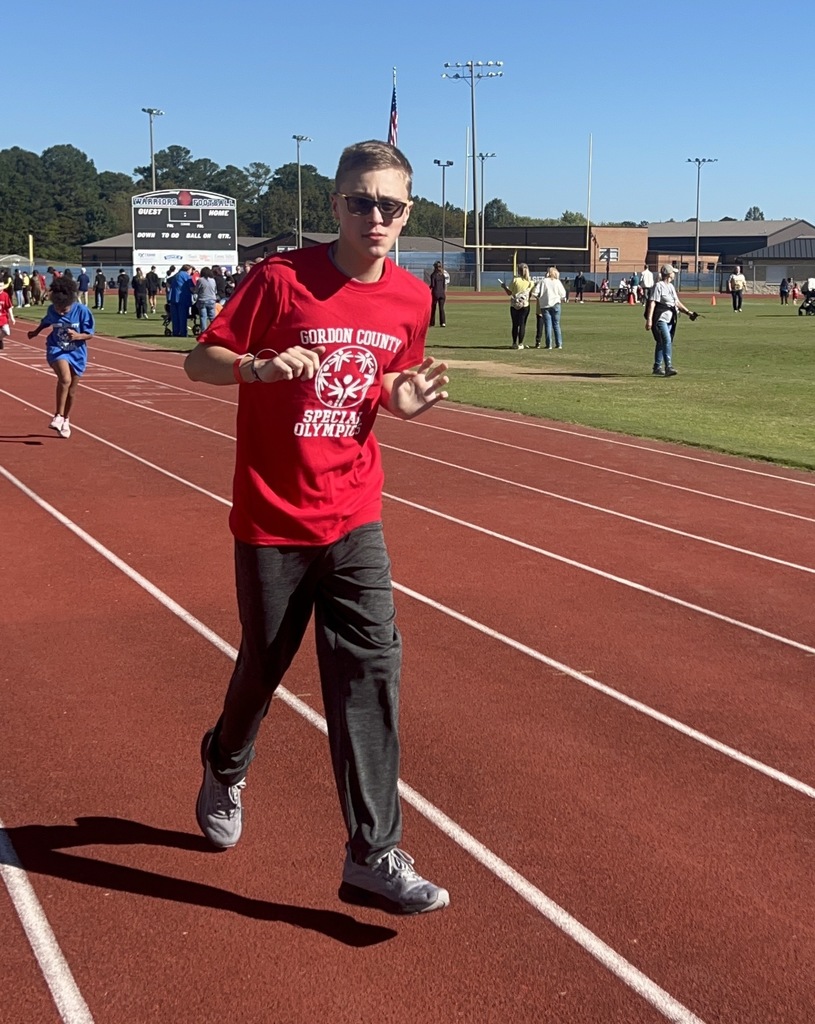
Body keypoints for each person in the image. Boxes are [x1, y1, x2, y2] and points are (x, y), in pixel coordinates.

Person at [183, 138, 450, 916]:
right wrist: (254, 368)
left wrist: (399, 398)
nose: (377, 217)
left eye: (391, 205)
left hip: (354, 515)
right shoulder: (281, 280)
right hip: (271, 515)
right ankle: (225, 760)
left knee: (370, 675)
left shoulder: (409, 298)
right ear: (336, 204)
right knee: (262, 668)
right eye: (362, 201)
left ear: (407, 213)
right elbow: (199, 361)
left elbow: (391, 377)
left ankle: (372, 853)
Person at [26, 276, 94, 438]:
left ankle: (66, 419)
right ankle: (57, 415)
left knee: (72, 390)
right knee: (65, 379)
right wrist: (36, 332)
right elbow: (46, 322)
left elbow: (89, 334)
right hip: (57, 348)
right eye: (57, 308)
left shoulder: (82, 311)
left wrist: (78, 336)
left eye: (64, 309)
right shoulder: (52, 310)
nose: (60, 311)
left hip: (77, 352)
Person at [645, 265, 696, 377]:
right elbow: (652, 302)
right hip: (661, 319)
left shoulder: (671, 287)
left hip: (670, 319)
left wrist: (688, 312)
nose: (674, 274)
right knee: (667, 340)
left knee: (662, 342)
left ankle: (657, 367)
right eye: (673, 272)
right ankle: (668, 366)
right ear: (668, 274)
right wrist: (649, 320)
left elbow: (676, 303)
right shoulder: (658, 286)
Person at [499, 263, 535, 349]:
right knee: (522, 324)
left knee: (515, 324)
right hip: (525, 305)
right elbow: (530, 294)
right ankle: (521, 343)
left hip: (514, 304)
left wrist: (504, 287)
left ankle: (514, 343)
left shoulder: (515, 280)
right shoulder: (530, 281)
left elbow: (509, 293)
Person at [533, 266, 568, 349]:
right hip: (556, 304)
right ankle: (559, 344)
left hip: (545, 305)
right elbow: (563, 294)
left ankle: (549, 345)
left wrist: (540, 298)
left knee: (548, 325)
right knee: (556, 324)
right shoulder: (557, 282)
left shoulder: (543, 281)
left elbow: (535, 292)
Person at [167, 264, 194, 336]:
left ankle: (175, 332)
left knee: (175, 317)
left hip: (173, 297)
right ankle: (183, 332)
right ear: (188, 270)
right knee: (182, 316)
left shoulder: (177, 275)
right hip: (183, 298)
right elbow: (191, 288)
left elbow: (168, 281)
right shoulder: (187, 276)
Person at [194, 266, 217, 332]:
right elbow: (215, 291)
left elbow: (196, 290)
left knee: (203, 317)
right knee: (212, 317)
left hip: (203, 300)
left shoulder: (200, 280)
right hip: (212, 299)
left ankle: (204, 331)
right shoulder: (213, 280)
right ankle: (214, 330)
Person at [429, 260, 449, 327]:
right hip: (442, 294)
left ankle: (432, 323)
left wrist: (428, 288)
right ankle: (443, 323)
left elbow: (432, 285)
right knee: (441, 308)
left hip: (435, 293)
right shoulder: (442, 275)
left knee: (433, 308)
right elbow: (443, 285)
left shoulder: (433, 275)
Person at [0, 283, 15, 350]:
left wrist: (12, 317)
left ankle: (0, 339)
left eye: (1, 286)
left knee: (7, 332)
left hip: (3, 317)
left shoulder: (5, 295)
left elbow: (9, 307)